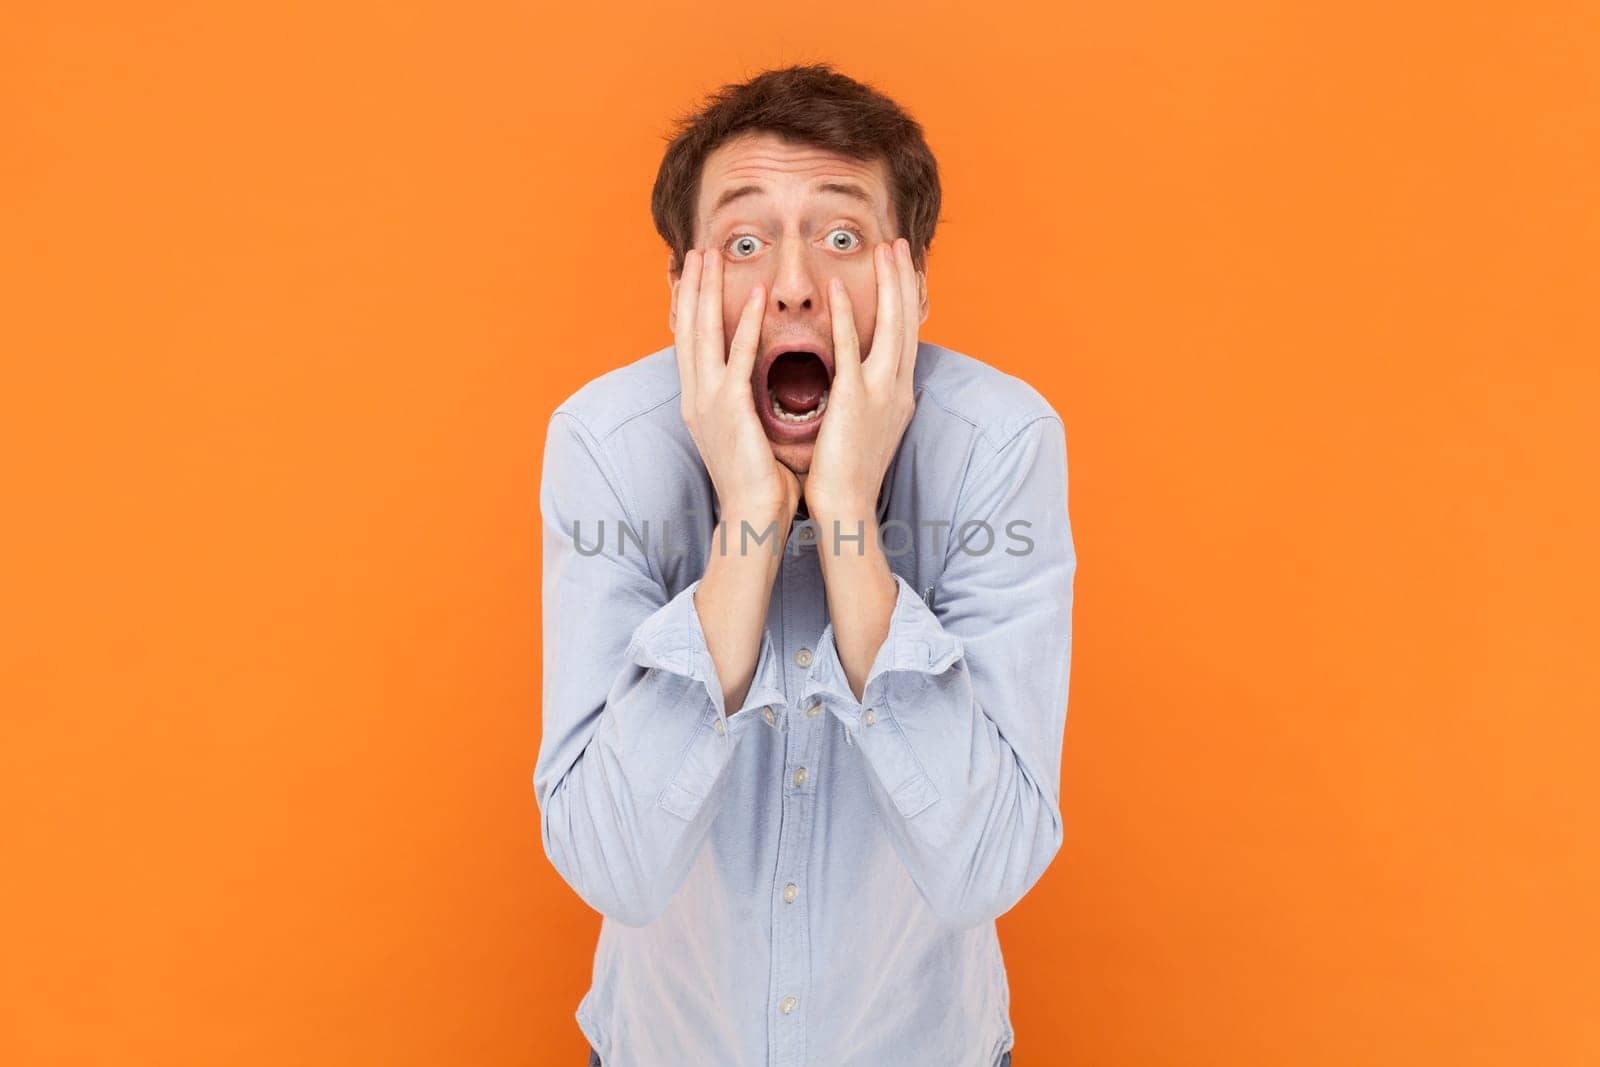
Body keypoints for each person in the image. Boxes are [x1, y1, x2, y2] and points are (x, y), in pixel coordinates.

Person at [535, 63, 1072, 1067]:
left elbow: (983, 866)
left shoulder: (999, 445)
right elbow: (616, 865)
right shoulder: (607, 445)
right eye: (744, 240)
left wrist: (843, 518)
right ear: (680, 284)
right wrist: (747, 515)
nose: (791, 283)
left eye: (840, 237)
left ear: (912, 281)